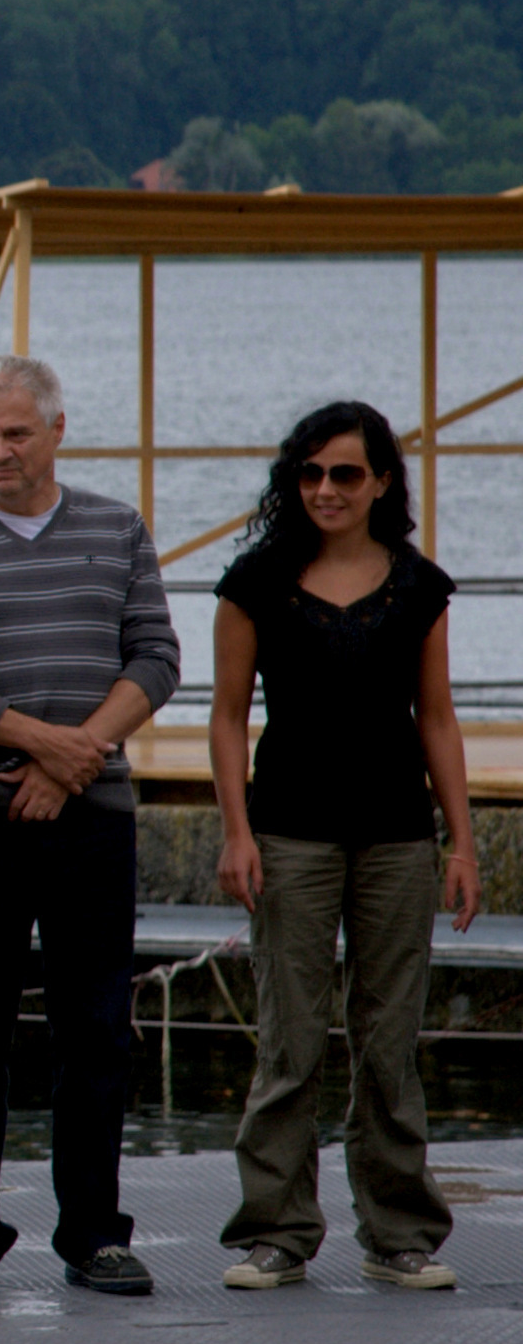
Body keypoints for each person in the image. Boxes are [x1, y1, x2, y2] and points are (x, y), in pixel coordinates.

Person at [0, 354, 180, 1298]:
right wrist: (40, 743)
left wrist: (78, 756)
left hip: (92, 821)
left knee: (95, 1032)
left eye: (15, 433)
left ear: (58, 428)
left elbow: (157, 656)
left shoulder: (118, 527)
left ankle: (93, 1232)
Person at [211, 401, 480, 1291]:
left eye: (346, 473)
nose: (326, 489)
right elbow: (225, 716)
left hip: (399, 836)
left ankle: (399, 1230)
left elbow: (437, 719)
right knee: (289, 1038)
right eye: (311, 472)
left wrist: (462, 845)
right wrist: (237, 831)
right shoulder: (255, 581)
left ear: (381, 482)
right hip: (287, 833)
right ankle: (277, 1231)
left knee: (389, 1038)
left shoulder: (420, 586)